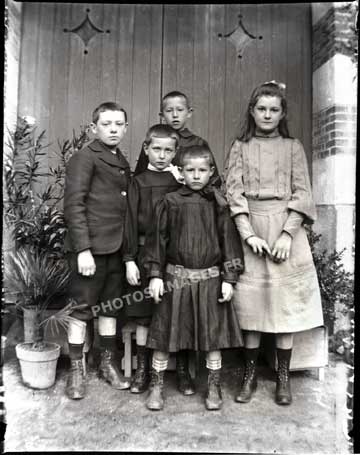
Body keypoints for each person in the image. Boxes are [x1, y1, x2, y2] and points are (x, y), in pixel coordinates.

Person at [224, 81, 324, 406]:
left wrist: (287, 233)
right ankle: (250, 374)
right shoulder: (240, 146)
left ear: (282, 114)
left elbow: (303, 193)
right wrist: (247, 233)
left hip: (285, 231)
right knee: (252, 304)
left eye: (274, 110)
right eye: (261, 108)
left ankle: (283, 377)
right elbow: (233, 193)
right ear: (252, 112)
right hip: (252, 229)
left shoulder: (293, 147)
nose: (267, 114)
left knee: (284, 304)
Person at [143, 145, 244, 411]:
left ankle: (213, 386)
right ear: (181, 172)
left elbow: (229, 244)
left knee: (212, 337)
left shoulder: (218, 204)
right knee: (165, 335)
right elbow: (157, 243)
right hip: (176, 279)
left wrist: (229, 278)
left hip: (210, 280)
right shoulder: (170, 201)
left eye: (202, 170)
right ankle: (157, 387)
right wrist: (155, 275)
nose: (196, 175)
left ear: (211, 172)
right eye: (190, 170)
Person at [134, 91, 221, 395]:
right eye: (168, 110)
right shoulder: (163, 185)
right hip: (164, 252)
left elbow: (213, 184)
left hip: (198, 259)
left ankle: (185, 371)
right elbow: (139, 181)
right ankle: (147, 374)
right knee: (158, 317)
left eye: (179, 109)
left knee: (192, 319)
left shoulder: (199, 147)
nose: (174, 114)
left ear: (189, 112)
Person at [63, 102, 131, 399]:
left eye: (119, 124)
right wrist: (83, 250)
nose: (113, 129)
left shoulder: (120, 159)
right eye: (106, 124)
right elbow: (74, 205)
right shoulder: (85, 157)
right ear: (94, 128)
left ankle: (107, 364)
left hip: (115, 248)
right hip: (90, 250)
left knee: (109, 308)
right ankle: (76, 370)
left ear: (126, 128)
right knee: (81, 309)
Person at [123, 124, 182, 394]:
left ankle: (181, 369)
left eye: (168, 150)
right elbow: (130, 224)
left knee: (175, 313)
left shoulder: (179, 183)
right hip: (145, 255)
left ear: (175, 153)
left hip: (174, 257)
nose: (161, 155)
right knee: (144, 316)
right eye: (156, 149)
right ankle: (143, 369)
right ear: (146, 149)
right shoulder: (138, 182)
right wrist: (129, 259)